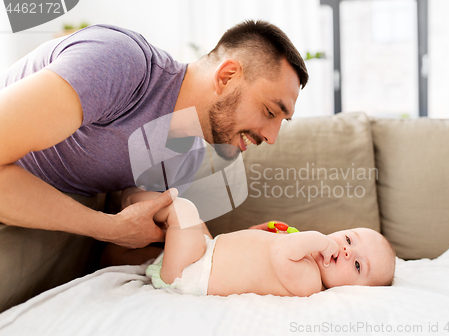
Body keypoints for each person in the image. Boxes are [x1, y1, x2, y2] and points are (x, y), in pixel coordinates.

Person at [0, 20, 308, 311]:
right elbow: (119, 234)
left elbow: (127, 253)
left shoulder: (186, 151)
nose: (271, 137)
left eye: (282, 121)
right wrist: (109, 228)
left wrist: (241, 250)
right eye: (270, 111)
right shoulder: (119, 62)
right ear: (226, 76)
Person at [132, 193, 395, 296]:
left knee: (183, 208)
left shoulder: (311, 282)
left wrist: (320, 239)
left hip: (191, 272)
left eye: (358, 265)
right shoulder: (306, 255)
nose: (347, 251)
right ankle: (128, 230)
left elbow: (281, 252)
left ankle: (129, 202)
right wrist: (256, 235)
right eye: (349, 239)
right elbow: (254, 256)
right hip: (206, 253)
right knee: (194, 221)